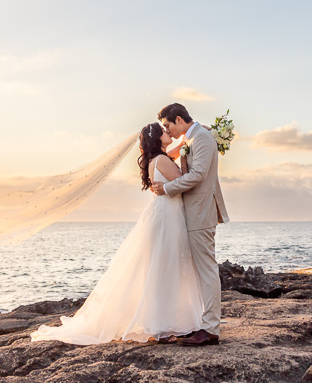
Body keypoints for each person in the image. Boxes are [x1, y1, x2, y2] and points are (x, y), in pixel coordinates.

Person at [31, 122, 203, 344]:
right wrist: (187, 155)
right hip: (167, 218)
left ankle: (164, 322)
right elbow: (185, 180)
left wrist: (183, 145)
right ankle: (164, 325)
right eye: (164, 131)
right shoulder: (161, 160)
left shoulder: (156, 160)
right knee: (167, 268)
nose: (167, 132)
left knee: (161, 268)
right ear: (157, 138)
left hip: (162, 215)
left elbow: (172, 160)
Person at [151, 102, 229, 346]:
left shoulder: (202, 138)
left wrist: (165, 188)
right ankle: (200, 323)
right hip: (193, 212)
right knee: (200, 270)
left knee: (207, 270)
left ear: (177, 119)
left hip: (200, 212)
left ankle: (210, 330)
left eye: (167, 125)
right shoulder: (193, 136)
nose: (168, 131)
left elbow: (198, 176)